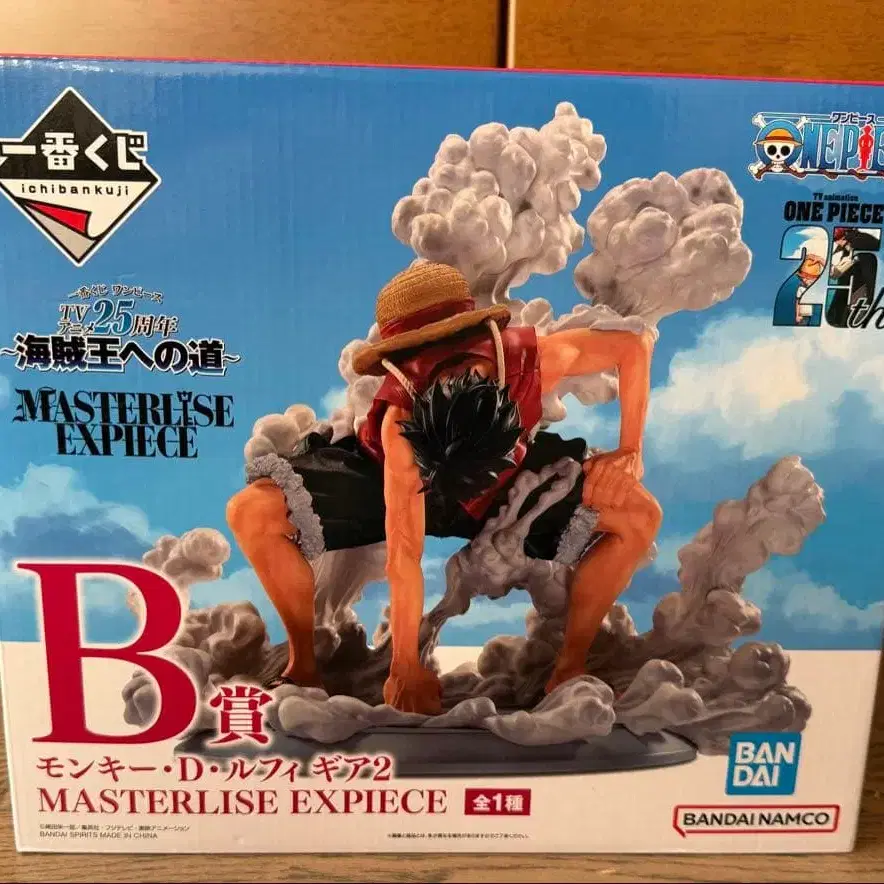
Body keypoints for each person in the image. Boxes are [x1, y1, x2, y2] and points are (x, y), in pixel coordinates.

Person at [227, 262, 661, 713]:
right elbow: (405, 556)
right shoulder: (401, 424)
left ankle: (569, 666)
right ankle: (303, 665)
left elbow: (632, 347)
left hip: (504, 483)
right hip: (388, 483)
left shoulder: (534, 360)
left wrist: (631, 448)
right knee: (252, 511)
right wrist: (404, 668)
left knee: (638, 515)